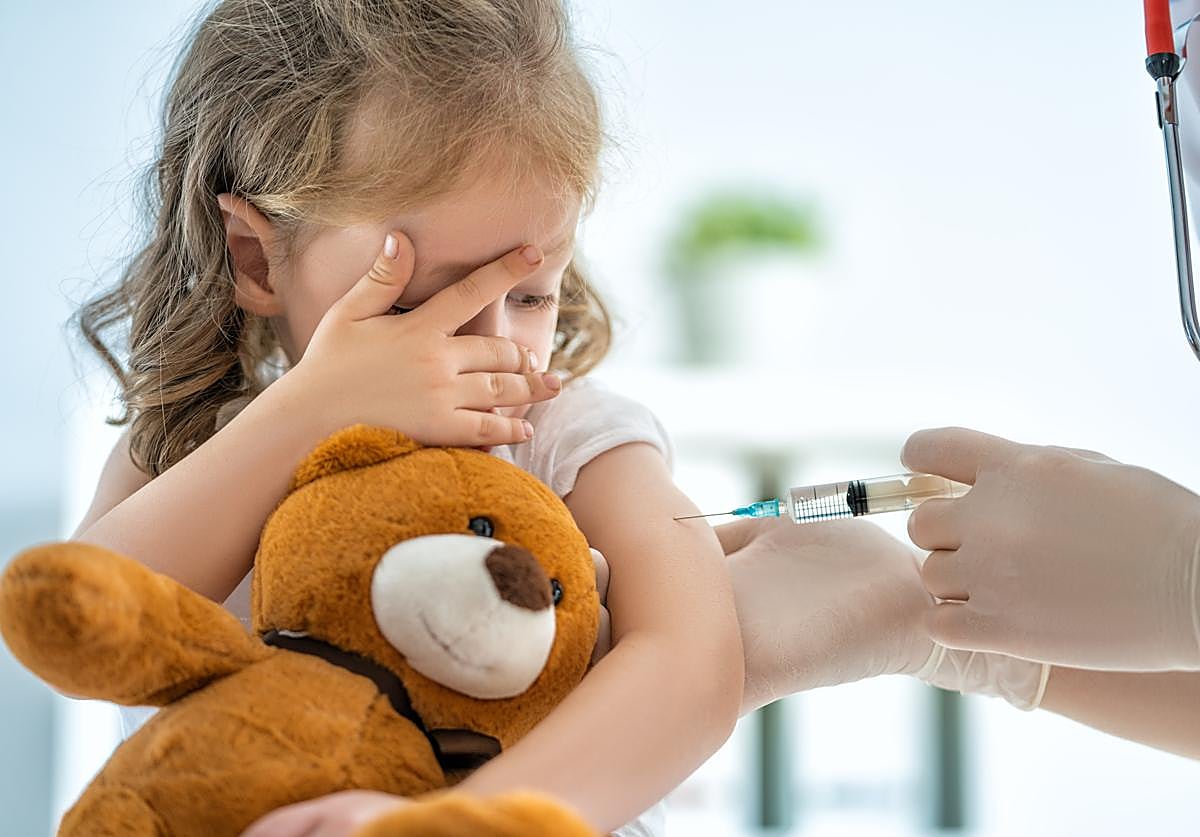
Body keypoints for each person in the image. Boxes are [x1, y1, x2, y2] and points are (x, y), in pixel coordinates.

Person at [69, 2, 743, 835]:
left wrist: (465, 821)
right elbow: (82, 621)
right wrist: (308, 412)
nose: (494, 350)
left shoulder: (568, 435)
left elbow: (696, 663)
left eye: (531, 295)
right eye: (423, 303)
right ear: (256, 256)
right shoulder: (198, 439)